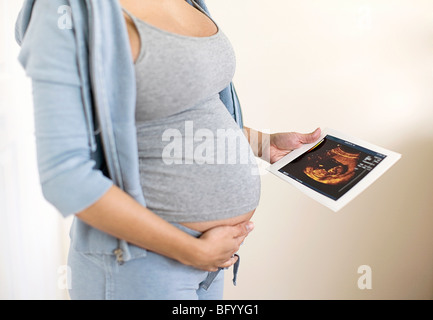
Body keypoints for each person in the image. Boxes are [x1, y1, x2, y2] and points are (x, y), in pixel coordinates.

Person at [15, 0, 321, 300]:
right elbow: (65, 176)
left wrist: (262, 142)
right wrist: (192, 251)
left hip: (209, 264)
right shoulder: (64, 11)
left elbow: (184, 110)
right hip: (140, 265)